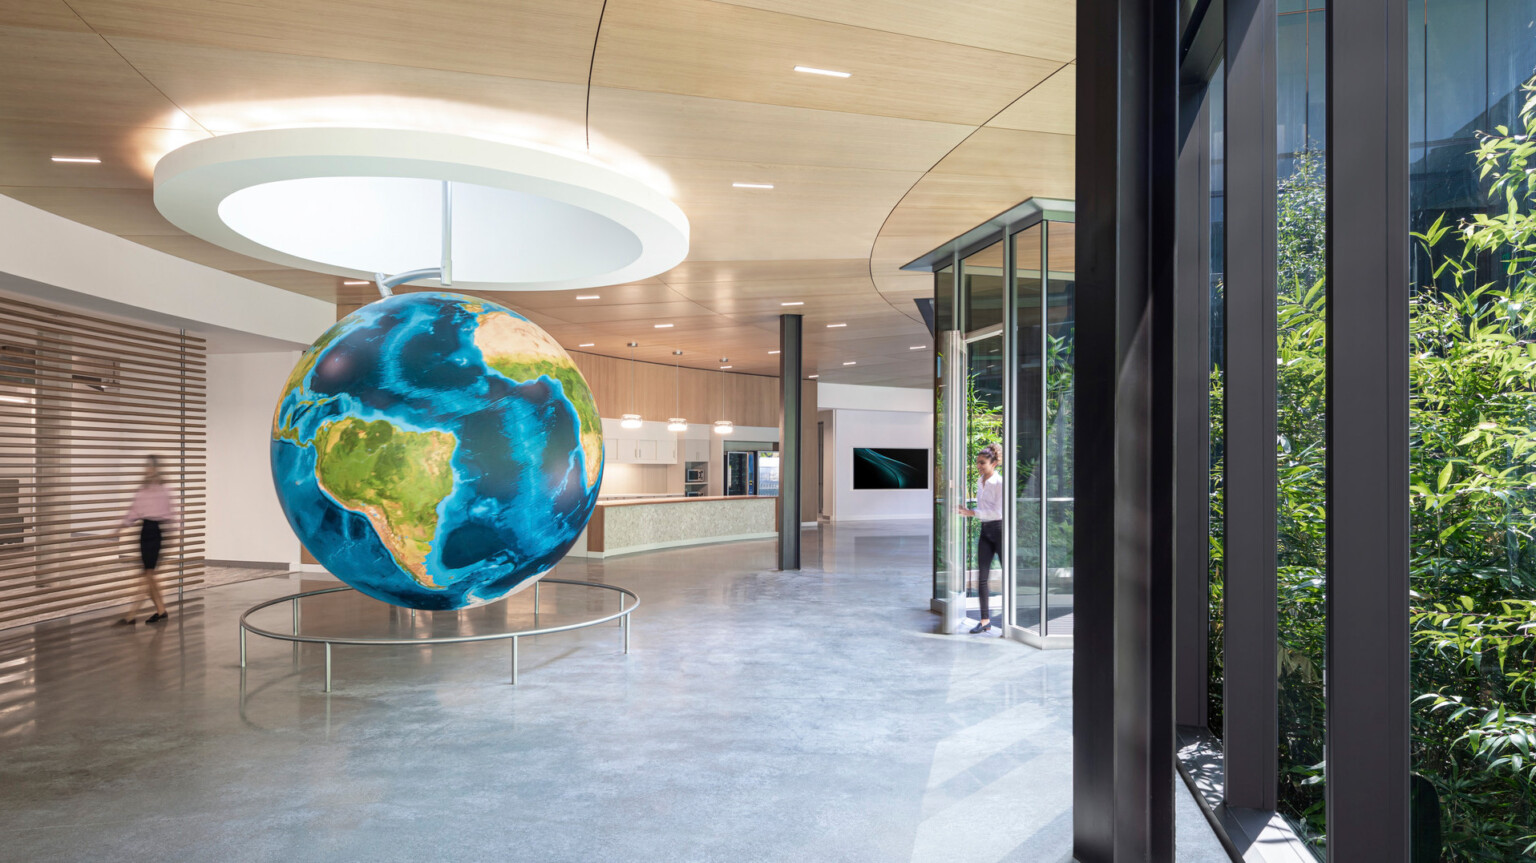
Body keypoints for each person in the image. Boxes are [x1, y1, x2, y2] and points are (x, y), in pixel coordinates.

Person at [114, 455, 179, 626]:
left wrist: (174, 535)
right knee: (148, 575)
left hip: (157, 532)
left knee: (148, 575)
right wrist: (121, 527)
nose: (147, 469)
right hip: (144, 532)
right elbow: (134, 512)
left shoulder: (165, 490)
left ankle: (131, 616)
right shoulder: (142, 490)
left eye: (150, 466)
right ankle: (161, 611)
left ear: (157, 468)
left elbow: (171, 514)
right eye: (146, 466)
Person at [956, 442, 1004, 634]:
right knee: (982, 578)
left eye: (982, 463)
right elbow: (983, 508)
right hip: (986, 531)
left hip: (1000, 530)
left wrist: (971, 513)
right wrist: (971, 512)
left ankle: (1011, 620)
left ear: (993, 464)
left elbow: (998, 512)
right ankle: (985, 621)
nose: (978, 466)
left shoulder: (1000, 483)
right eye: (977, 462)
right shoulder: (980, 481)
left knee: (1008, 575)